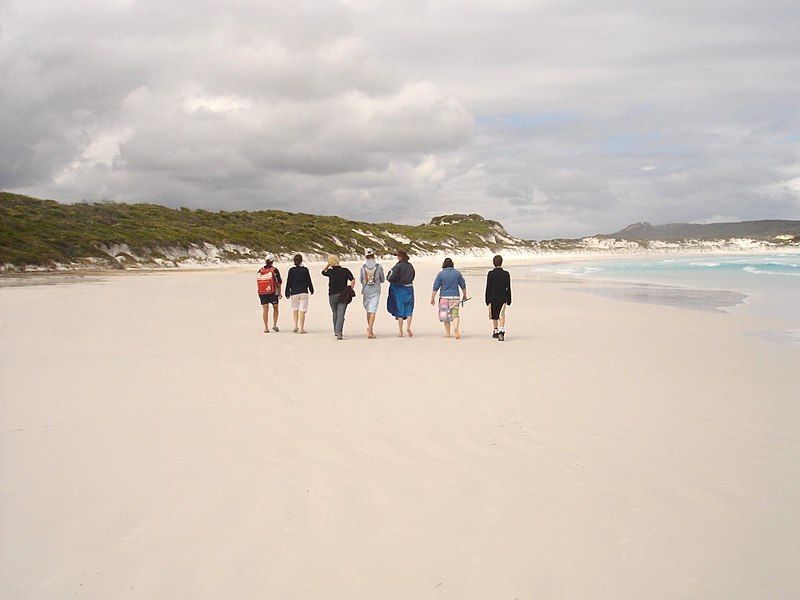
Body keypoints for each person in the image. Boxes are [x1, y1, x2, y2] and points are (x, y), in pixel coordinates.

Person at [431, 257, 468, 339]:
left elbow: (435, 287)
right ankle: (455, 328)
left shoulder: (441, 274)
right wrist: (465, 295)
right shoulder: (457, 273)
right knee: (455, 314)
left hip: (444, 298)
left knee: (445, 316)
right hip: (455, 297)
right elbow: (463, 284)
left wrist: (432, 297)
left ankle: (448, 334)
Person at [321, 255, 356, 340]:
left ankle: (336, 331)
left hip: (332, 295)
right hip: (343, 295)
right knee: (341, 314)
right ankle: (339, 332)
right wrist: (350, 288)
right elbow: (353, 280)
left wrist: (328, 265)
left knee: (334, 313)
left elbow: (322, 272)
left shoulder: (330, 271)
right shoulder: (345, 270)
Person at [386, 249, 415, 337]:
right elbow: (413, 276)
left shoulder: (397, 266)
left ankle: (400, 331)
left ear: (400, 257)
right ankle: (408, 327)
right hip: (409, 288)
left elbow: (390, 277)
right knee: (409, 309)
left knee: (400, 309)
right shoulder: (410, 266)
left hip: (400, 289)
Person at [485, 254, 512, 341]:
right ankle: (501, 329)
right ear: (501, 263)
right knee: (502, 314)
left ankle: (495, 331)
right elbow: (508, 287)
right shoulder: (506, 274)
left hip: (492, 297)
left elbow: (488, 287)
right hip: (503, 297)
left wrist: (487, 299)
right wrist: (509, 299)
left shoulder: (490, 274)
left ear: (493, 263)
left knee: (494, 314)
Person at [285, 254, 314, 334]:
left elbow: (289, 282)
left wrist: (287, 292)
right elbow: (309, 280)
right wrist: (311, 289)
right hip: (304, 292)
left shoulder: (291, 270)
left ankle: (295, 326)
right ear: (301, 261)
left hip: (294, 292)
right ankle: (301, 328)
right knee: (302, 310)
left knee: (295, 309)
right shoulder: (305, 270)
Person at [360, 248, 385, 339]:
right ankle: (370, 330)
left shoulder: (363, 267)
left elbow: (360, 279)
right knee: (373, 310)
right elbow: (382, 280)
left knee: (368, 310)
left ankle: (370, 328)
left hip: (366, 291)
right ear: (373, 256)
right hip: (376, 290)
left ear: (366, 256)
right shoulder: (379, 266)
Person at [257, 256, 282, 333]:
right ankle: (274, 325)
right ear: (272, 261)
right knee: (275, 308)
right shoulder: (274, 270)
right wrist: (280, 292)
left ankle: (266, 327)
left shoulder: (260, 270)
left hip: (262, 292)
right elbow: (279, 282)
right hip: (272, 292)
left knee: (265, 310)